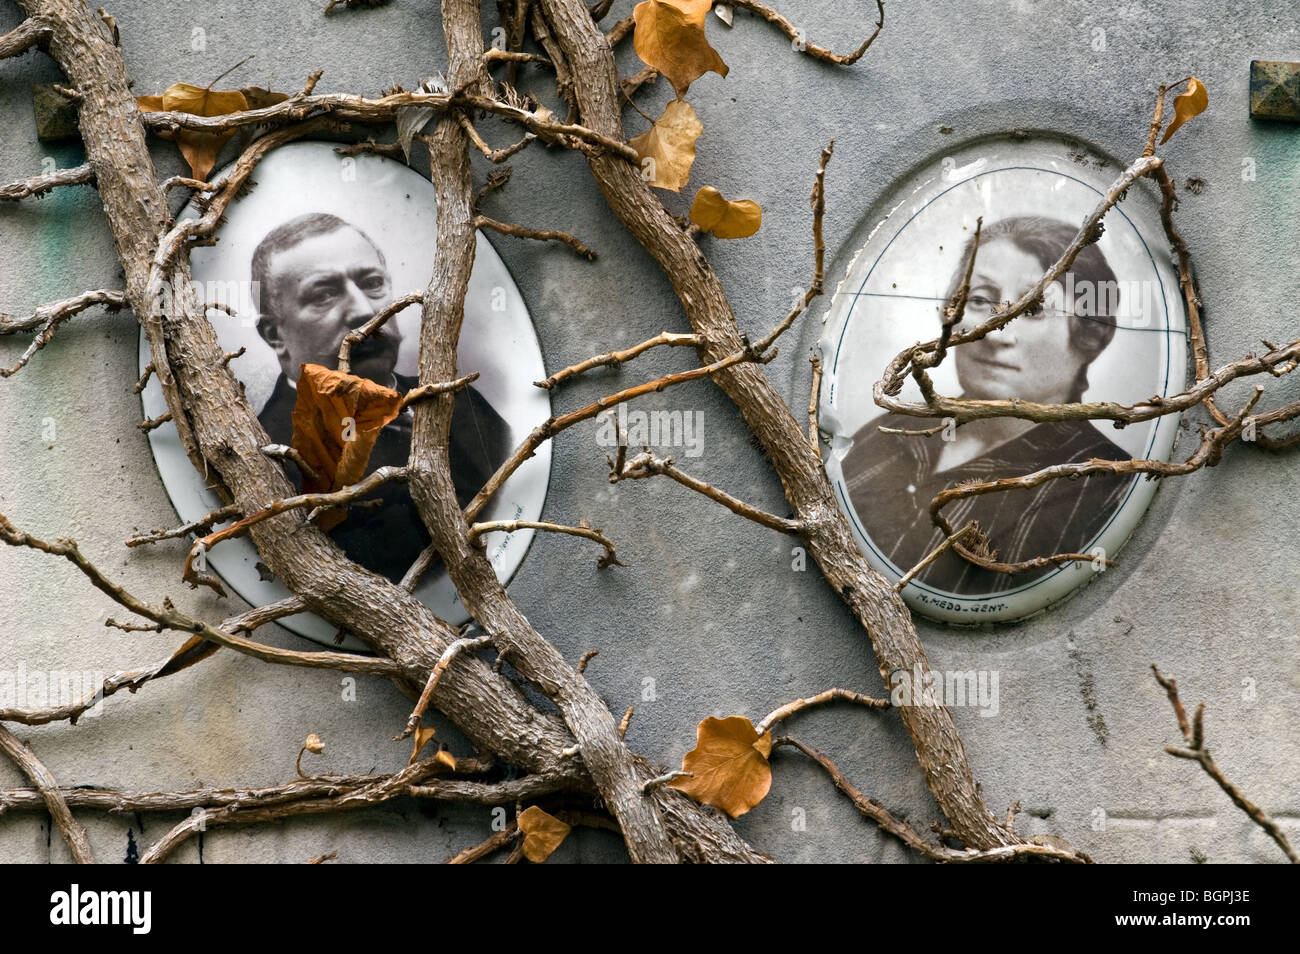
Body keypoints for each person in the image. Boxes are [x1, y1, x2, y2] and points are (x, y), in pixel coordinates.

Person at [841, 216, 1135, 595]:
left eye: (1033, 309)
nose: (997, 335)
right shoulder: (890, 432)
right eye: (980, 300)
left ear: (1090, 333)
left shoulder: (1102, 486)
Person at [252, 212, 511, 583]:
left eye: (372, 283)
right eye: (323, 294)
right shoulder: (266, 456)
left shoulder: (459, 403)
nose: (363, 310)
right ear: (275, 335)